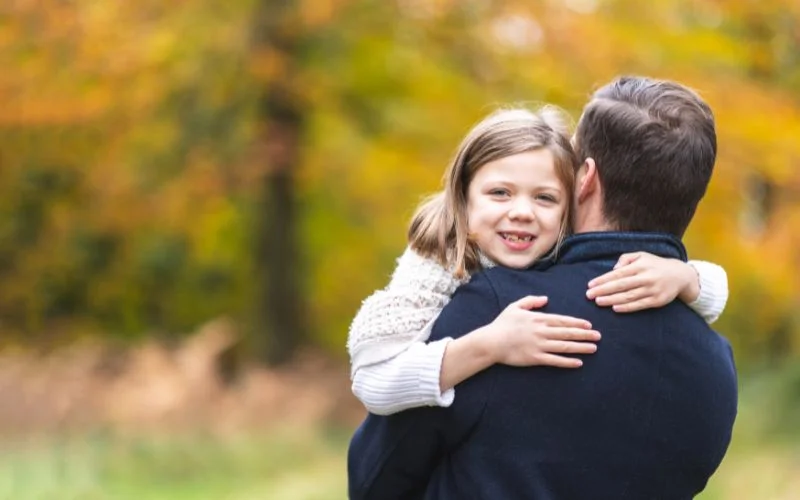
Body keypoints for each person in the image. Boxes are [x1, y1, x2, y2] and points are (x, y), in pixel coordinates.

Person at [348, 76, 738, 500]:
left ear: (583, 181)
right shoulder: (717, 367)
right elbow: (376, 376)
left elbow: (375, 479)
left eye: (545, 197)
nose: (522, 212)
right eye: (500, 192)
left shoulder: (502, 309)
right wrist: (686, 278)